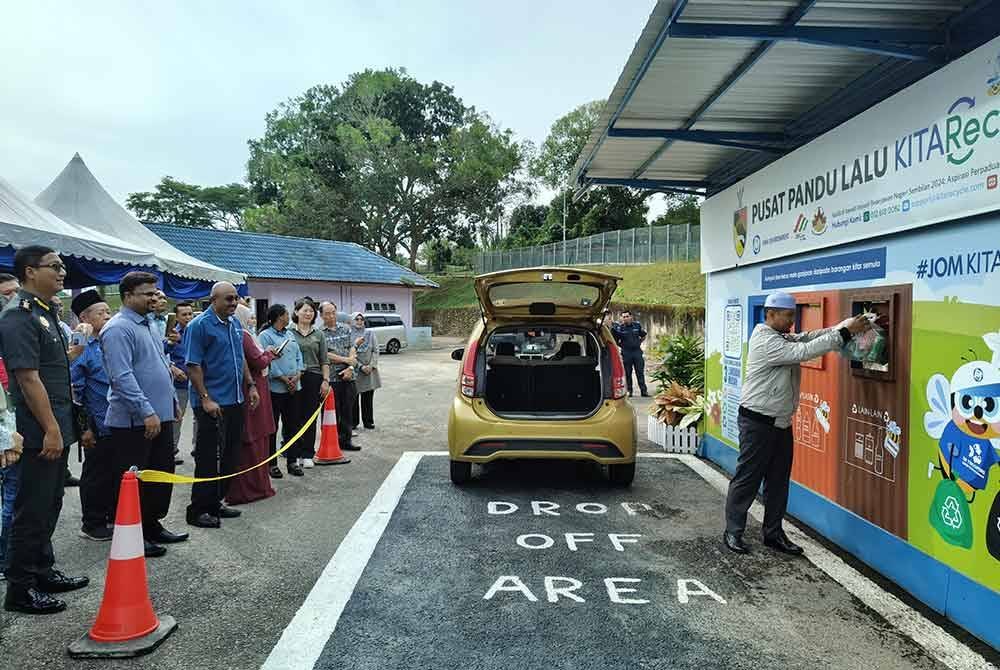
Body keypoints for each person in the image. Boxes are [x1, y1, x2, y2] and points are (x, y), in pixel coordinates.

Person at [723, 292, 871, 556]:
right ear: (771, 314)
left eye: (793, 315)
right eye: (788, 315)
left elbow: (807, 337)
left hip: (780, 423)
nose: (793, 321)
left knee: (778, 481)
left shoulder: (781, 336)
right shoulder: (765, 341)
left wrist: (843, 325)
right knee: (747, 479)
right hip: (757, 422)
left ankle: (773, 534)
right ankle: (733, 532)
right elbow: (803, 350)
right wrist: (845, 334)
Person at [0, 246, 88, 614]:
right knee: (31, 509)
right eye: (55, 267)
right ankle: (20, 589)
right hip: (37, 431)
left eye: (63, 266)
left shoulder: (45, 312)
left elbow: (53, 370)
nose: (62, 272)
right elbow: (27, 378)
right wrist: (51, 429)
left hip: (56, 425)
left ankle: (42, 569)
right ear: (29, 272)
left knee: (50, 503)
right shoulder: (18, 316)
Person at [101, 273, 188, 557]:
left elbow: (162, 363)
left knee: (160, 475)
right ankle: (133, 534)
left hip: (160, 415)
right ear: (127, 296)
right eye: (146, 293)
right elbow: (122, 377)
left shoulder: (149, 324)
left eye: (155, 292)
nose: (153, 298)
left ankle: (152, 525)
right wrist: (146, 411)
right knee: (134, 481)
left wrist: (171, 400)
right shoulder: (118, 329)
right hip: (134, 422)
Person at [185, 281, 259, 528]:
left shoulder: (235, 324)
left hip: (235, 400)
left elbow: (241, 359)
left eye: (235, 298)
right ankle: (198, 510)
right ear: (213, 299)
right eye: (228, 299)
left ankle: (216, 501)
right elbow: (193, 366)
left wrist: (251, 385)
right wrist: (206, 399)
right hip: (212, 404)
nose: (233, 303)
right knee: (208, 458)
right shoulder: (199, 326)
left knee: (231, 455)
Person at [69, 290, 116, 541]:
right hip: (95, 421)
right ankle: (92, 523)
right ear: (85, 318)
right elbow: (76, 391)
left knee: (113, 472)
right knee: (96, 474)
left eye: (109, 312)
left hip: (116, 420)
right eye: (102, 313)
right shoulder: (81, 347)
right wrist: (84, 427)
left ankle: (110, 515)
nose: (108, 316)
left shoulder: (111, 341)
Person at [226, 306, 279, 504]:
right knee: (253, 438)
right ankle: (251, 488)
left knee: (257, 438)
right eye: (250, 316)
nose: (253, 319)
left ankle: (257, 485)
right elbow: (258, 361)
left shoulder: (245, 334)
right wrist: (269, 354)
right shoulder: (243, 335)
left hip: (255, 386)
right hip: (253, 389)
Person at [258, 305, 303, 479]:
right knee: (273, 427)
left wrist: (298, 374)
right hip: (275, 388)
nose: (288, 316)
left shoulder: (290, 334)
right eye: (285, 314)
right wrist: (283, 378)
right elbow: (266, 360)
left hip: (294, 387)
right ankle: (272, 464)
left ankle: (292, 461)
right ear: (278, 317)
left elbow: (299, 356)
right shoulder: (265, 336)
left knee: (293, 425)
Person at [289, 299, 329, 472]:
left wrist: (325, 381)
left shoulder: (318, 334)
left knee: (310, 417)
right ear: (296, 312)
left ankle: (307, 454)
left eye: (311, 311)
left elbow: (324, 360)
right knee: (293, 417)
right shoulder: (288, 332)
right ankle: (293, 454)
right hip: (293, 378)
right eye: (305, 310)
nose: (308, 313)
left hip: (313, 377)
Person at [321, 302, 358, 452]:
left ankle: (346, 440)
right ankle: (330, 442)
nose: (331, 316)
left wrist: (350, 367)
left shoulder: (346, 329)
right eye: (327, 313)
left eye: (333, 312)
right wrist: (346, 360)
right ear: (321, 315)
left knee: (348, 410)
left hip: (349, 376)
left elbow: (352, 347)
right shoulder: (320, 333)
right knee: (331, 412)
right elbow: (325, 355)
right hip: (332, 378)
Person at [165, 301, 195, 465]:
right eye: (184, 314)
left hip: (197, 381)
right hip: (180, 384)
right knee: (177, 417)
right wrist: (174, 369)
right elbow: (163, 355)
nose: (188, 317)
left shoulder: (197, 332)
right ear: (176, 317)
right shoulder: (172, 334)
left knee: (199, 417)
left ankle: (198, 447)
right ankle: (172, 450)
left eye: (190, 314)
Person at [350, 312, 380, 430]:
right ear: (352, 321)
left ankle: (368, 421)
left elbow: (376, 351)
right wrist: (361, 366)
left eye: (361, 319)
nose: (359, 321)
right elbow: (349, 354)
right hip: (356, 370)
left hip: (369, 371)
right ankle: (354, 422)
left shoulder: (370, 333)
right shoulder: (349, 335)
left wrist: (371, 365)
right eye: (356, 319)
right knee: (353, 397)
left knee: (368, 397)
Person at [611, 310, 648, 397]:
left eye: (627, 316)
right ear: (621, 318)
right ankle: (629, 391)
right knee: (627, 373)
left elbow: (643, 335)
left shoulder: (637, 325)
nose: (625, 318)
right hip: (626, 353)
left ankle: (644, 391)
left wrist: (638, 342)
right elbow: (615, 341)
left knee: (640, 372)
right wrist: (622, 346)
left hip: (637, 352)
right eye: (623, 317)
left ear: (631, 317)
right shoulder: (620, 328)